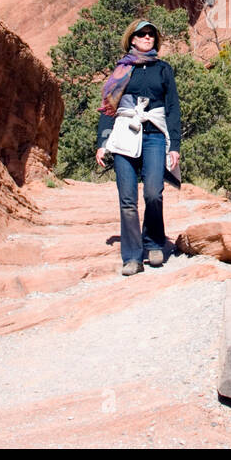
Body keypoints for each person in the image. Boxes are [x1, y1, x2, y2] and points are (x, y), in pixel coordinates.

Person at [94, 19, 182, 276]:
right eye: (141, 34)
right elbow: (108, 106)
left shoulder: (163, 69)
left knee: (154, 192)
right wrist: (102, 142)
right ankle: (132, 256)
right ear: (131, 39)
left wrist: (174, 145)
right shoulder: (121, 70)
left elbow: (173, 107)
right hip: (124, 134)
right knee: (127, 199)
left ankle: (154, 242)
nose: (147, 38)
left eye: (151, 34)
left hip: (154, 133)